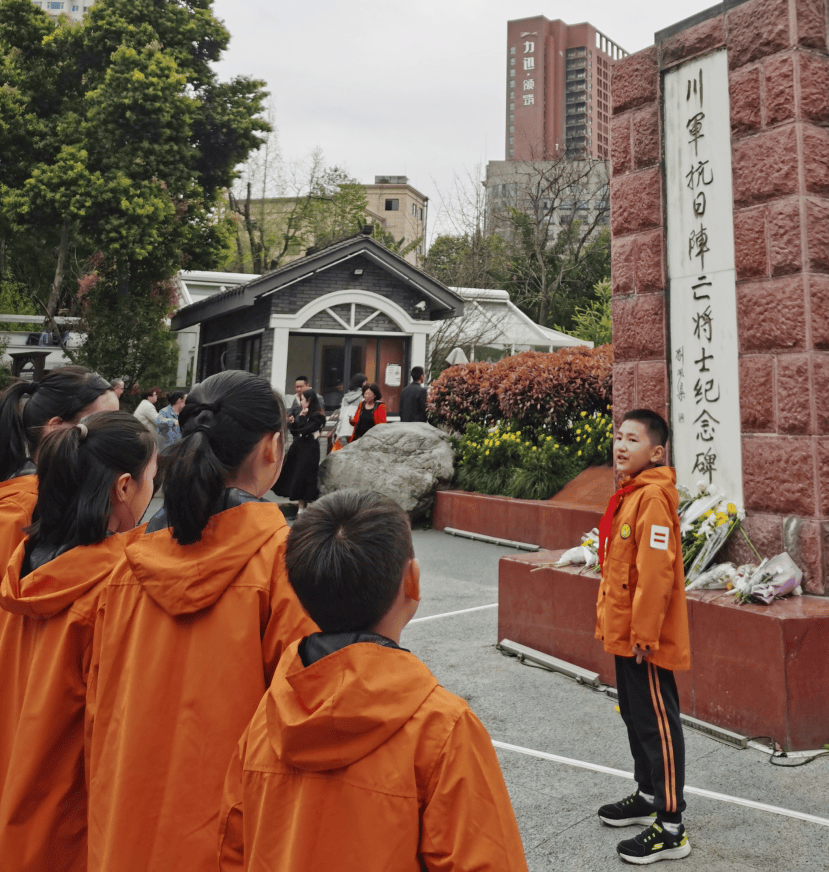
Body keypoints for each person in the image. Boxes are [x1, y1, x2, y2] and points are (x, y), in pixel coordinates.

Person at [218, 490, 529, 871]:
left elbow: (232, 847)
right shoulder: (442, 730)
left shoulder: (266, 720)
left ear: (300, 597)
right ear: (412, 581)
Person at [86, 370, 315, 872]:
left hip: (123, 832)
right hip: (228, 839)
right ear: (272, 448)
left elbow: (97, 709)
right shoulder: (284, 564)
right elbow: (303, 722)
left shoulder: (126, 564)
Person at [0, 412, 157, 872]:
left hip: (16, 799)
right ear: (124, 487)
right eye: (152, 477)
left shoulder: (23, 566)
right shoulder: (113, 586)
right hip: (69, 821)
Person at [595, 410, 691, 864]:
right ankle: (648, 794)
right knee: (635, 717)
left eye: (631, 439)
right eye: (618, 436)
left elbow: (656, 572)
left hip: (643, 639)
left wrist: (645, 632)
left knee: (658, 723)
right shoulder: (630, 494)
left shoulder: (652, 497)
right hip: (625, 633)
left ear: (655, 452)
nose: (620, 445)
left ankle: (671, 824)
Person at [0, 368, 120, 571]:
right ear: (56, 427)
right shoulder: (19, 508)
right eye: (104, 425)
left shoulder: (69, 494)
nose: (117, 436)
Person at [272, 387, 325, 510]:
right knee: (295, 475)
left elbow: (305, 430)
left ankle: (308, 509)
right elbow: (296, 432)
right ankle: (300, 508)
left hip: (310, 449)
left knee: (306, 476)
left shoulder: (318, 416)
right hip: (299, 448)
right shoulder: (304, 413)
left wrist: (299, 420)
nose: (301, 403)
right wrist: (293, 422)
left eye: (302, 400)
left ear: (309, 400)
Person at [332, 372, 368, 446]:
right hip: (357, 429)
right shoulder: (364, 397)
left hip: (345, 430)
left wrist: (338, 433)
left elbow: (341, 416)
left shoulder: (346, 397)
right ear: (362, 383)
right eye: (365, 381)